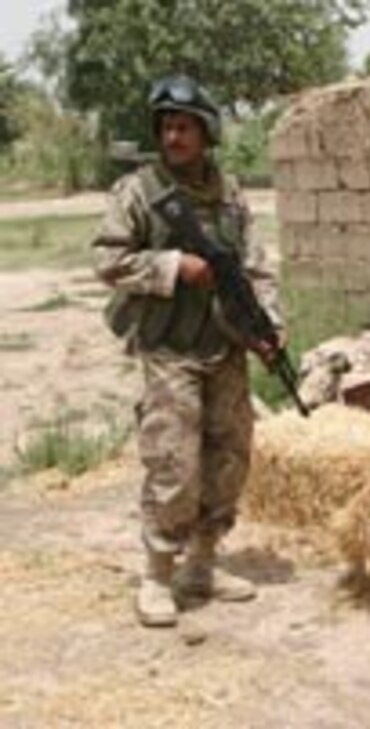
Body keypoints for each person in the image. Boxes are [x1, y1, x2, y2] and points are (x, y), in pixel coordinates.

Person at [92, 74, 284, 628]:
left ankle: (203, 563)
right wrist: (174, 267)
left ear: (207, 133)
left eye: (184, 127)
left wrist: (269, 325)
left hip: (224, 344)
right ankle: (156, 573)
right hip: (168, 346)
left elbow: (255, 266)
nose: (174, 137)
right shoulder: (138, 192)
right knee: (174, 461)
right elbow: (108, 261)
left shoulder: (228, 191)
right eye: (167, 127)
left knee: (229, 455)